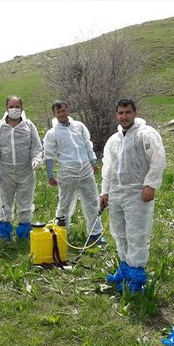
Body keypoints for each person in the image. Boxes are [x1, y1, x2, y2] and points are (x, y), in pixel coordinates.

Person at [100, 98, 167, 293]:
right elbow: (108, 168)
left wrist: (151, 184)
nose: (124, 116)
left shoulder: (146, 134)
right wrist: (105, 191)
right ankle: (125, 269)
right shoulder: (114, 139)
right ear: (116, 115)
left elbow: (158, 159)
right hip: (117, 193)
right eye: (120, 113)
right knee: (120, 234)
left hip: (138, 193)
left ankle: (137, 278)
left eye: (128, 112)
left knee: (136, 234)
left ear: (135, 113)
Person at [42, 100, 105, 243]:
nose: (61, 114)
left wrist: (93, 161)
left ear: (68, 110)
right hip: (67, 173)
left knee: (92, 202)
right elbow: (49, 155)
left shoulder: (79, 127)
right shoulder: (52, 133)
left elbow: (87, 144)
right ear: (55, 114)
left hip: (85, 170)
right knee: (65, 204)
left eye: (63, 110)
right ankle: (60, 233)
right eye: (58, 112)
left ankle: (95, 234)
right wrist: (50, 175)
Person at [0, 96, 43, 240]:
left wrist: (37, 159)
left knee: (26, 202)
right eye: (11, 106)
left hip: (26, 172)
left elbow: (37, 147)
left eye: (17, 106)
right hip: (5, 172)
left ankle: (24, 231)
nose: (14, 109)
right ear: (6, 108)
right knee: (5, 203)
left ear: (22, 108)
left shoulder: (29, 126)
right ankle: (4, 232)